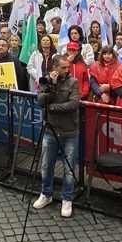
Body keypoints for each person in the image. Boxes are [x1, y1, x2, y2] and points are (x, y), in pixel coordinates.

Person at [33, 52, 81, 218]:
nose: (67, 69)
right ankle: (46, 194)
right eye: (63, 67)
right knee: (46, 165)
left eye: (67, 67)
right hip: (50, 130)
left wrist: (52, 108)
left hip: (70, 130)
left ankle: (67, 198)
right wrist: (51, 87)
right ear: (54, 68)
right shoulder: (46, 81)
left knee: (69, 168)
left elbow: (74, 104)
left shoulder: (73, 82)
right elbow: (41, 101)